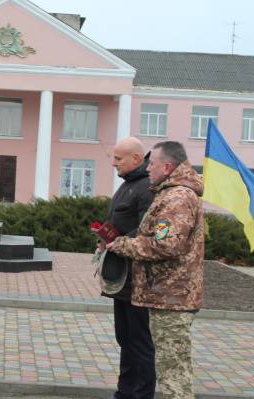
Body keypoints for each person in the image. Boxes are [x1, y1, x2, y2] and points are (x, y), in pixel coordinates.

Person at [107, 141, 204, 399]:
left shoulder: (177, 198)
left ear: (168, 166)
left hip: (171, 296)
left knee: (174, 375)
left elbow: (166, 245)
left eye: (152, 163)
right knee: (170, 368)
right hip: (163, 295)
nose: (148, 168)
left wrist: (123, 245)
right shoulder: (168, 194)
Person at [100, 137, 156, 399]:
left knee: (140, 342)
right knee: (125, 339)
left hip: (139, 280)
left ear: (136, 159)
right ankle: (125, 393)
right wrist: (106, 237)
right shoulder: (128, 185)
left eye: (118, 159)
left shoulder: (146, 188)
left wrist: (118, 241)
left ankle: (141, 394)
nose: (113, 163)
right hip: (123, 277)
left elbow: (146, 229)